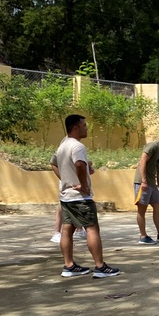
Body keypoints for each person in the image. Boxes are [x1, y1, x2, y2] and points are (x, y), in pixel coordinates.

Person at [51, 114, 121, 278]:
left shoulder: (63, 145)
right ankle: (100, 267)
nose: (86, 128)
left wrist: (66, 179)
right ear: (75, 127)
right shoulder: (77, 146)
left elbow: (54, 163)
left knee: (66, 229)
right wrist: (83, 185)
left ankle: (68, 266)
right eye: (84, 125)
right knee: (92, 229)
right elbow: (79, 165)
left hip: (66, 196)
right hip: (80, 197)